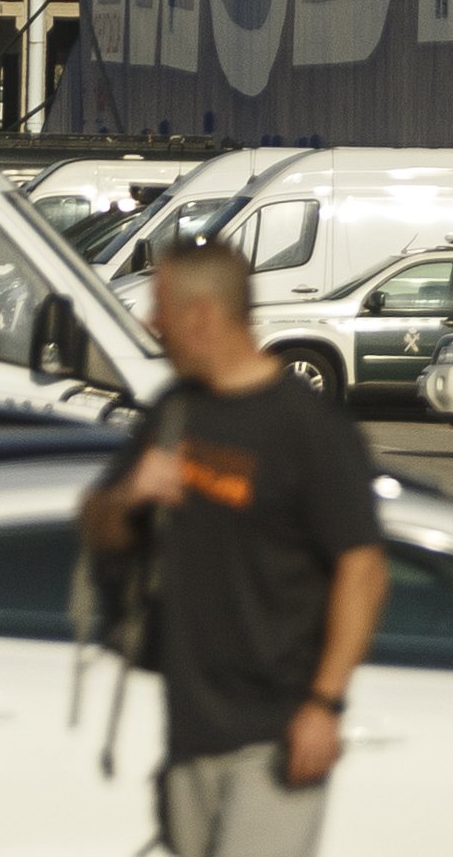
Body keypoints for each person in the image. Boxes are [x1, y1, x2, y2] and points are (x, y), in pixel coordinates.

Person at [80, 240, 388, 857]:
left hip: (273, 735)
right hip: (190, 729)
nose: (151, 323)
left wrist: (324, 704)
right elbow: (95, 530)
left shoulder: (308, 429)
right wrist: (128, 498)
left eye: (160, 307)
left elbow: (364, 568)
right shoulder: (176, 413)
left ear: (201, 316)